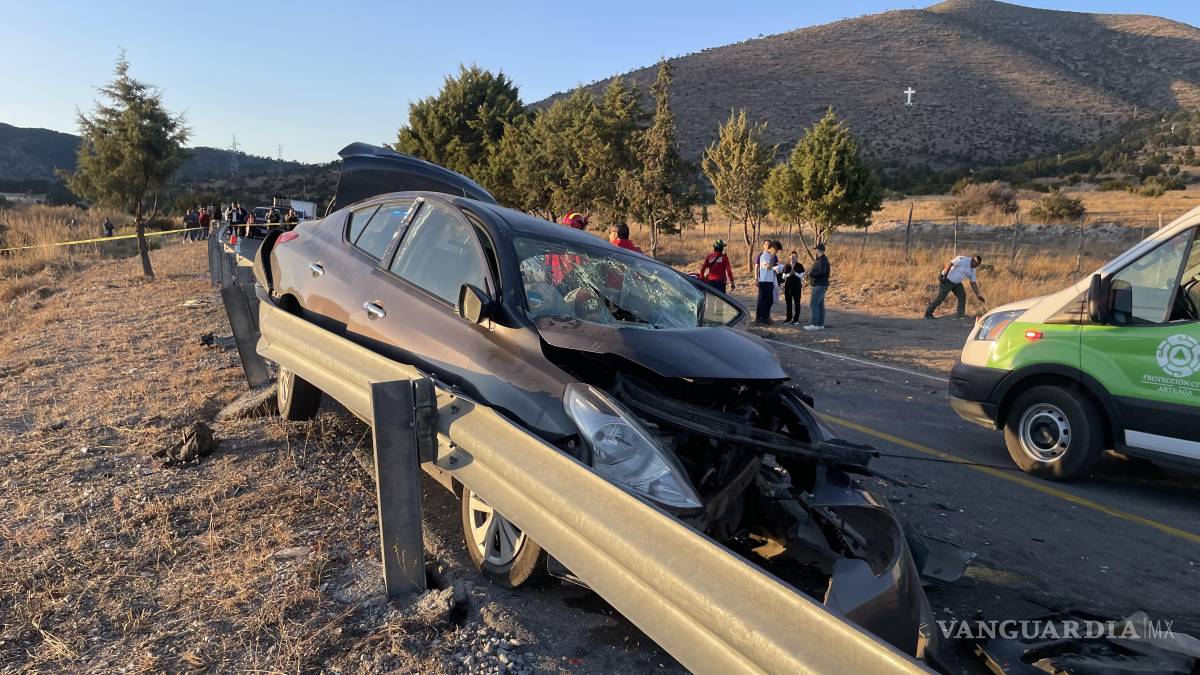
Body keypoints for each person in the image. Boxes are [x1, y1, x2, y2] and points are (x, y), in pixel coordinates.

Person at [925, 254, 985, 319]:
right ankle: (928, 312)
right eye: (975, 264)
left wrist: (977, 294)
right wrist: (944, 276)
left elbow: (973, 282)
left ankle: (960, 316)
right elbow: (950, 264)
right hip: (947, 280)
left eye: (978, 265)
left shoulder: (973, 269)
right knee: (941, 297)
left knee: (962, 296)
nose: (976, 266)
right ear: (972, 259)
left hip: (957, 283)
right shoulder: (962, 260)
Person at [803, 242, 830, 331]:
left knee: (814, 303)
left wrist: (811, 274)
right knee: (820, 304)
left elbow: (821, 272)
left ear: (819, 250)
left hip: (819, 285)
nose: (816, 252)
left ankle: (815, 324)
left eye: (816, 250)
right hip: (822, 285)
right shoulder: (823, 260)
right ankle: (820, 324)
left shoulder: (822, 260)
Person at [754, 239, 781, 324]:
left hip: (770, 281)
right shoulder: (764, 255)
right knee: (763, 300)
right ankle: (759, 317)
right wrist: (756, 278)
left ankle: (765, 317)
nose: (775, 251)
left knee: (770, 300)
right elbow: (768, 267)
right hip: (764, 281)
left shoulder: (770, 255)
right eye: (775, 249)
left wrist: (774, 281)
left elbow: (773, 268)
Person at [782, 251, 805, 325]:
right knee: (788, 303)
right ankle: (788, 318)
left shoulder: (800, 265)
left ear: (797, 257)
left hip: (797, 287)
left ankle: (796, 319)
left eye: (795, 256)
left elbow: (801, 276)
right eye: (792, 256)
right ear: (789, 257)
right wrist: (789, 274)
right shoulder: (787, 266)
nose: (793, 257)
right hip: (788, 287)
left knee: (797, 303)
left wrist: (795, 273)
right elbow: (783, 276)